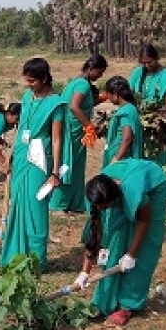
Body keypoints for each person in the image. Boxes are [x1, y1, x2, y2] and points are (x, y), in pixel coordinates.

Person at [74, 159, 166, 326]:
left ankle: (127, 304)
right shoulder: (95, 195)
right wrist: (84, 272)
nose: (103, 211)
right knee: (113, 238)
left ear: (114, 200)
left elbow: (143, 221)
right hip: (122, 185)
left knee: (144, 247)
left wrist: (131, 254)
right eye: (101, 208)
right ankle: (104, 301)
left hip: (154, 185)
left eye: (106, 207)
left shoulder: (133, 192)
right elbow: (95, 234)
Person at [0, 57, 70, 270]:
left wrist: (55, 172)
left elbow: (57, 139)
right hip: (21, 156)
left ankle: (36, 259)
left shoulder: (56, 104)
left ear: (45, 78)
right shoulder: (27, 98)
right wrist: (11, 154)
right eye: (27, 81)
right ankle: (16, 255)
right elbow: (22, 129)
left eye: (33, 81)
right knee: (18, 203)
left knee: (36, 207)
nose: (29, 85)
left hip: (39, 160)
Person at [50, 54, 108, 213]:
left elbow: (85, 104)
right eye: (100, 72)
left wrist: (104, 98)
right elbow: (74, 107)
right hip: (72, 130)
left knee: (76, 165)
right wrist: (89, 126)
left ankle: (75, 203)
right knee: (68, 165)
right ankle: (59, 203)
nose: (100, 76)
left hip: (75, 130)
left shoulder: (77, 82)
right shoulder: (82, 84)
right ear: (92, 69)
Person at [128, 44, 166, 166]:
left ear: (157, 58)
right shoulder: (138, 73)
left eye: (150, 62)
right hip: (138, 122)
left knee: (155, 155)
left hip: (158, 125)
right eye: (143, 63)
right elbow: (128, 94)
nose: (147, 66)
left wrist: (155, 117)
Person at [101, 76, 143, 167]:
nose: (108, 98)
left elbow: (127, 138)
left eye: (108, 94)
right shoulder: (129, 108)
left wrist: (115, 160)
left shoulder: (126, 111)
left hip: (121, 157)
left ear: (115, 94)